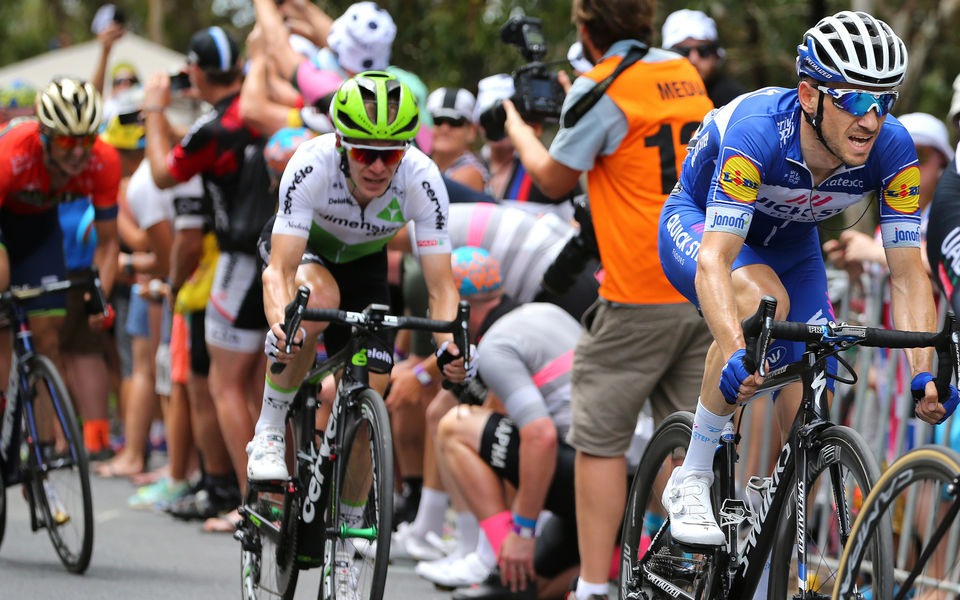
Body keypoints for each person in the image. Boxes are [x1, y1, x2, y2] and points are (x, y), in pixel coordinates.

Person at [656, 11, 957, 551]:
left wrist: (923, 370)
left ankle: (770, 521)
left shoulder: (893, 149)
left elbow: (909, 273)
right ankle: (692, 476)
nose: (871, 119)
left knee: (809, 391)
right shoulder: (756, 131)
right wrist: (733, 352)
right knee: (761, 305)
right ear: (809, 95)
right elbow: (715, 263)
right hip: (702, 226)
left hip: (793, 245)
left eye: (883, 100)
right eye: (855, 100)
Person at [501, 1, 714, 598]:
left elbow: (553, 179)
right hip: (699, 284)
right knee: (689, 441)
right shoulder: (683, 74)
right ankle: (686, 578)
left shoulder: (597, 89)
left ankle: (595, 586)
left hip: (637, 293)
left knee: (598, 441)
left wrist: (519, 125)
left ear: (588, 30)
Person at [248, 70, 471, 483]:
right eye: (365, 153)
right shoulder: (311, 164)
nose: (378, 166)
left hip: (365, 265)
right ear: (340, 143)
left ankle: (351, 527)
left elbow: (442, 287)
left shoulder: (422, 179)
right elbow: (278, 271)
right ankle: (269, 431)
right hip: (305, 254)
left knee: (374, 393)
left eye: (391, 155)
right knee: (317, 301)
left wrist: (450, 349)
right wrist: (284, 326)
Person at [144, 26, 265, 526]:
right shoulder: (255, 111)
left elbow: (160, 172)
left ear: (194, 70)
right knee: (261, 390)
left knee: (226, 386)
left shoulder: (213, 129)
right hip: (282, 253)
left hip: (240, 261)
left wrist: (153, 108)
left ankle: (254, 505)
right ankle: (274, 502)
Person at [423, 247, 582, 599]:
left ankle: (500, 557)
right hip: (624, 478)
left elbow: (539, 438)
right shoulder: (542, 311)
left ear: (457, 309)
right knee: (529, 592)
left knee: (455, 425)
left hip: (583, 472)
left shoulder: (495, 345)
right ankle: (594, 569)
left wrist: (522, 532)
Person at [660, 9, 744, 108]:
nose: (693, 59)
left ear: (716, 55)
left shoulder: (735, 102)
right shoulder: (653, 96)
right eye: (683, 51)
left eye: (703, 50)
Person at [426, 87, 487, 191]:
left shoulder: (470, 173)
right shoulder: (423, 163)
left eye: (454, 123)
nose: (444, 129)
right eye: (438, 121)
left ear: (471, 131)